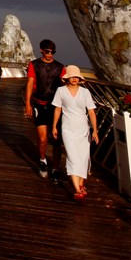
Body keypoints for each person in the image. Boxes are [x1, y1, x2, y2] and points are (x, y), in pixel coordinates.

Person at [51, 65, 98, 199]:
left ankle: (81, 184)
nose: (74, 79)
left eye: (76, 77)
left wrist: (95, 130)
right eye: (72, 76)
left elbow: (91, 111)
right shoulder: (61, 91)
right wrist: (54, 126)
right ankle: (77, 189)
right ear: (67, 78)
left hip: (83, 128)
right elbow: (57, 109)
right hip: (67, 128)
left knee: (83, 156)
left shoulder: (85, 92)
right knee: (72, 156)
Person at [24, 39, 65, 178]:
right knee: (42, 139)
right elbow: (30, 84)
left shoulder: (60, 67)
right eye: (47, 51)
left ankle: (55, 168)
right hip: (39, 104)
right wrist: (28, 104)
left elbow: (65, 86)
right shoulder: (34, 65)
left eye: (53, 52)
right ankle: (42, 160)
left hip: (55, 106)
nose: (50, 54)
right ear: (41, 50)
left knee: (56, 139)